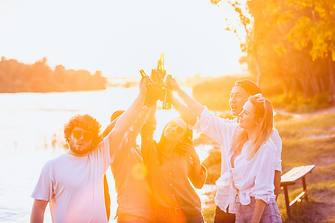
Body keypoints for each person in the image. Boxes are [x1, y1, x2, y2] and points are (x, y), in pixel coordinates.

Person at [30, 78, 148, 223]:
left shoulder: (100, 156)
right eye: (77, 134)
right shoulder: (52, 167)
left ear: (93, 141)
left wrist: (142, 96)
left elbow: (122, 125)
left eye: (86, 136)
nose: (81, 138)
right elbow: (39, 207)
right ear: (68, 135)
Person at [167, 78, 282, 222]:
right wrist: (174, 94)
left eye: (238, 96)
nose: (232, 100)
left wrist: (270, 207)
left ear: (252, 99)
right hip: (226, 204)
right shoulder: (232, 128)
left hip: (254, 207)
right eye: (231, 95)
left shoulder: (270, 137)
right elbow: (200, 116)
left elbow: (275, 174)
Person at [140, 104, 207, 223]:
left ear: (182, 138)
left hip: (192, 214)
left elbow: (199, 183)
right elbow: (147, 129)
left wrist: (195, 157)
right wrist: (153, 102)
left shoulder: (185, 155)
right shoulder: (151, 150)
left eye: (179, 130)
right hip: (165, 217)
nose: (174, 129)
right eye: (172, 125)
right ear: (166, 126)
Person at [101, 107, 156, 223]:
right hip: (132, 215)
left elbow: (149, 129)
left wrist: (151, 104)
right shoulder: (117, 149)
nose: (129, 127)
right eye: (125, 125)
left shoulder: (138, 149)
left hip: (149, 215)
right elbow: (131, 134)